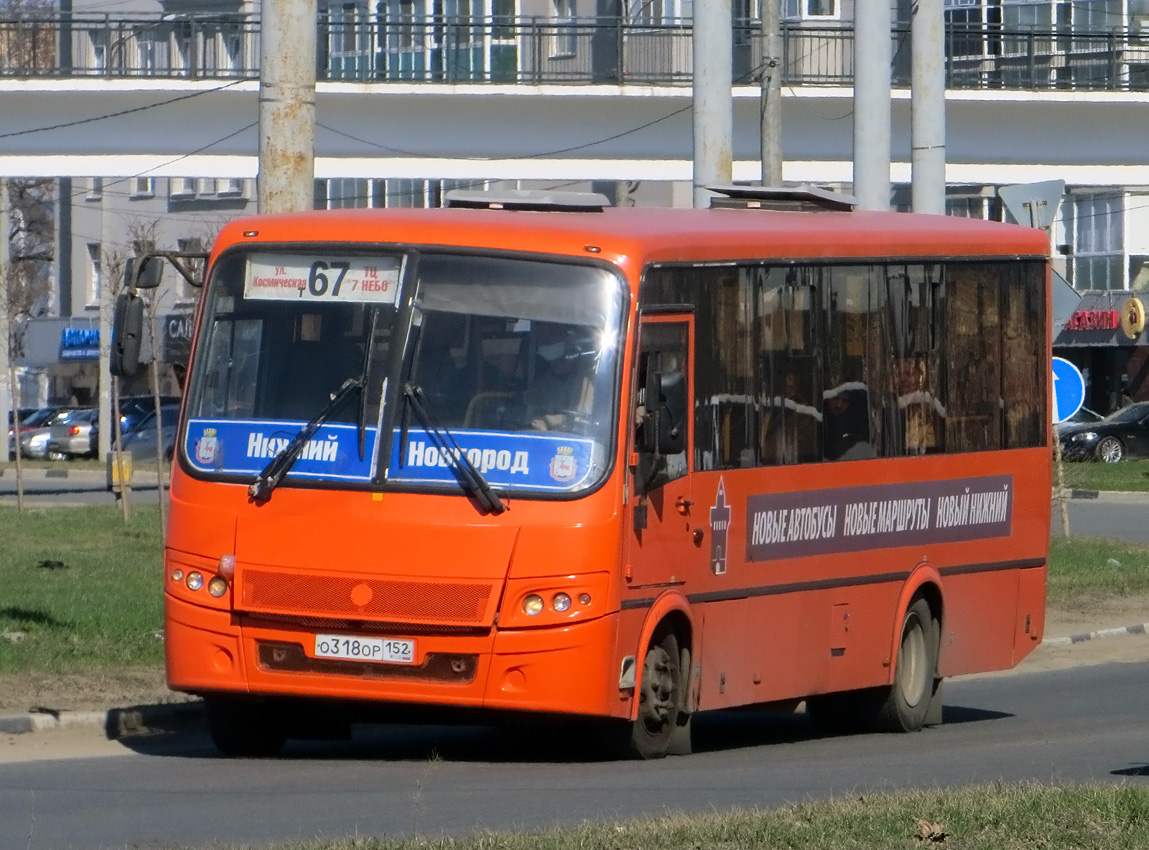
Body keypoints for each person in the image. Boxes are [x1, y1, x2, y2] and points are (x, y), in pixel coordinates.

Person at [525, 323, 594, 431]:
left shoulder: (588, 382)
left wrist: (548, 421)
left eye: (553, 334)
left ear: (570, 338)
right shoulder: (540, 386)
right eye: (542, 336)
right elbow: (528, 420)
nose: (546, 341)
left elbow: (585, 420)